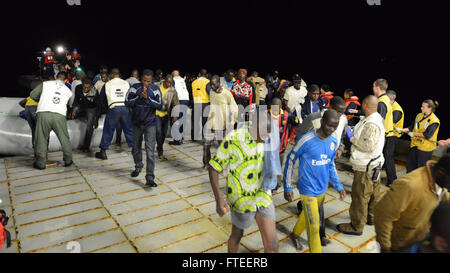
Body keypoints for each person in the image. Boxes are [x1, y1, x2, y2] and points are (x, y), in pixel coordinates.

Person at [208, 111, 279, 253]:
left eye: (268, 134)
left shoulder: (267, 136)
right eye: (263, 135)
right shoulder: (234, 138)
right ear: (254, 129)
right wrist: (218, 199)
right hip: (241, 198)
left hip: (262, 194)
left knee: (272, 245)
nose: (266, 139)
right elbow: (213, 167)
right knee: (237, 235)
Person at [284, 109, 346, 253]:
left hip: (322, 189)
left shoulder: (333, 141)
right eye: (329, 126)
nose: (332, 130)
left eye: (335, 127)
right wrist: (287, 187)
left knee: (307, 216)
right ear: (322, 121)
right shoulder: (306, 140)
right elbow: (290, 160)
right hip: (307, 189)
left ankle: (294, 235)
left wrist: (338, 186)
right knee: (314, 227)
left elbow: (330, 164)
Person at [374, 154, 450, 253]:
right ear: (441, 173)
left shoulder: (441, 182)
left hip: (419, 237)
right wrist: (385, 247)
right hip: (399, 246)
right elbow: (383, 216)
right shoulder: (409, 185)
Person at [336, 96, 386, 236]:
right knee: (373, 195)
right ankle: (371, 218)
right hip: (374, 164)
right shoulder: (375, 118)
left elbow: (367, 145)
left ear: (365, 105)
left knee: (360, 197)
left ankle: (356, 226)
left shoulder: (371, 124)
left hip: (365, 167)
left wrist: (351, 137)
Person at [125, 69, 163, 187]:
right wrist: (139, 97)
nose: (147, 83)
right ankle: (138, 166)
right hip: (136, 123)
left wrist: (147, 98)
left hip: (150, 123)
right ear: (141, 79)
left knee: (150, 151)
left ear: (152, 80)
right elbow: (127, 102)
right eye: (145, 81)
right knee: (136, 148)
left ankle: (150, 177)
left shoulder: (156, 89)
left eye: (149, 81)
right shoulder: (134, 87)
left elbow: (159, 105)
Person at [29, 72, 73, 170]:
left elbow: (32, 95)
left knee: (41, 138)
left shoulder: (46, 84)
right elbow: (69, 104)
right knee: (64, 138)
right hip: (60, 115)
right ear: (66, 81)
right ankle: (68, 160)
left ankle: (40, 163)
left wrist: (42, 99)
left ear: (55, 77)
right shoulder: (68, 91)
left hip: (44, 113)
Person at [95, 68, 134, 160]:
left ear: (111, 75)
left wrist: (104, 110)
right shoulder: (127, 83)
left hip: (113, 108)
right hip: (125, 108)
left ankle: (103, 152)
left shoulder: (107, 84)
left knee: (108, 130)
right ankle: (134, 149)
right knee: (128, 129)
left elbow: (102, 100)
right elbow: (132, 96)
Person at [202, 75, 238, 168]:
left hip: (221, 125)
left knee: (221, 147)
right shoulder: (211, 91)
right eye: (211, 85)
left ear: (218, 83)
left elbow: (234, 107)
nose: (212, 87)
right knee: (206, 145)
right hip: (211, 122)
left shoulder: (227, 93)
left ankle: (222, 164)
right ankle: (206, 164)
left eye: (214, 84)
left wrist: (232, 121)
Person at [401, 100, 440, 173]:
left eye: (423, 107)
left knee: (421, 170)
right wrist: (403, 130)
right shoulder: (419, 115)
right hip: (415, 145)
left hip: (425, 148)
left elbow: (427, 135)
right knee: (410, 167)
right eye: (421, 106)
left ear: (430, 108)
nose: (421, 108)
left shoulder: (434, 120)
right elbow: (414, 127)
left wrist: (413, 134)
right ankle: (410, 183)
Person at [269, 97, 298, 192]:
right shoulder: (265, 114)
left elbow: (296, 124)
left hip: (281, 148)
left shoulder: (287, 116)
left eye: (277, 107)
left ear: (281, 107)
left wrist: (291, 137)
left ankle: (276, 186)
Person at [373, 79, 396, 187]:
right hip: (388, 134)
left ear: (377, 87)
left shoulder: (382, 101)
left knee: (384, 158)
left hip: (385, 135)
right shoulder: (386, 98)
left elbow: (379, 120)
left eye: (373, 87)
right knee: (386, 158)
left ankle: (391, 180)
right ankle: (392, 179)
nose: (373, 89)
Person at [71, 78, 101, 152]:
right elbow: (76, 99)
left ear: (91, 86)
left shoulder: (94, 92)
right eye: (84, 87)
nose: (86, 89)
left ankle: (86, 147)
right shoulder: (78, 88)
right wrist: (74, 109)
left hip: (91, 108)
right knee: (72, 114)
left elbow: (99, 106)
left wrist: (96, 119)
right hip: (81, 105)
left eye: (88, 87)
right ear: (82, 86)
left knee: (89, 126)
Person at [156, 74, 179, 159]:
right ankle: (160, 150)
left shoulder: (173, 90)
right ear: (164, 80)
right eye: (168, 82)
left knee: (163, 133)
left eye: (171, 83)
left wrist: (175, 115)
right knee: (158, 131)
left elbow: (176, 103)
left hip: (166, 114)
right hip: (156, 113)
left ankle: (159, 146)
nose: (169, 84)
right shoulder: (156, 86)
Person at [169, 70, 190, 146]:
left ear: (173, 75)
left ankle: (177, 139)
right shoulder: (182, 79)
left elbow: (171, 90)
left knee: (176, 119)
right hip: (186, 99)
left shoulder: (174, 80)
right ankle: (180, 137)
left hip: (179, 100)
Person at [191, 69, 211, 141]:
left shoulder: (194, 82)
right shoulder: (207, 82)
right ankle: (205, 137)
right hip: (205, 103)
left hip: (196, 103)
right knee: (205, 122)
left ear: (199, 74)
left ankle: (194, 137)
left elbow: (191, 93)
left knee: (195, 121)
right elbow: (210, 92)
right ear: (206, 75)